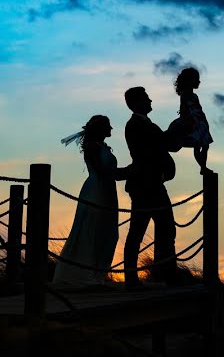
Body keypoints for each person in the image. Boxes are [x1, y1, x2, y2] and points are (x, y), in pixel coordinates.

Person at [53, 115, 128, 286]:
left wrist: (127, 172)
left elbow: (110, 172)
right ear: (100, 129)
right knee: (92, 230)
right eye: (108, 126)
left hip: (108, 190)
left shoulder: (101, 146)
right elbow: (102, 171)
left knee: (108, 232)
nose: (111, 129)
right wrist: (129, 172)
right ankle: (84, 274)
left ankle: (98, 273)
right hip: (96, 191)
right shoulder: (92, 147)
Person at [122, 86, 177, 289]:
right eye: (146, 98)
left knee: (166, 230)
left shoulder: (146, 125)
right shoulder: (135, 126)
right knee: (137, 232)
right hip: (145, 187)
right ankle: (132, 279)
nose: (151, 101)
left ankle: (165, 275)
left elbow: (164, 144)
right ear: (136, 103)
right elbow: (148, 154)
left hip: (153, 185)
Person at [168, 67, 213, 175]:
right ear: (189, 80)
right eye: (196, 79)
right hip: (192, 121)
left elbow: (199, 109)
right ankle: (203, 167)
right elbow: (184, 108)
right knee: (198, 145)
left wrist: (204, 122)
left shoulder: (194, 95)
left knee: (205, 146)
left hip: (199, 122)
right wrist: (187, 120)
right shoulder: (185, 94)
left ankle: (203, 167)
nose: (198, 81)